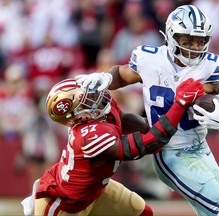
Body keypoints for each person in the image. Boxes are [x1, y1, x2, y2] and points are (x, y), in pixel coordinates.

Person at [75, 4, 219, 216]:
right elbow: (122, 75)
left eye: (199, 40)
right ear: (171, 36)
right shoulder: (150, 59)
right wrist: (107, 77)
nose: (194, 47)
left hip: (201, 149)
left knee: (217, 210)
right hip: (170, 152)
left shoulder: (210, 66)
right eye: (187, 40)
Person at [21, 77, 204, 216]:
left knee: (142, 212)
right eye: (87, 99)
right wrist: (179, 104)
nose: (96, 97)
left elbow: (125, 120)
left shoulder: (101, 110)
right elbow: (146, 145)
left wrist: (157, 126)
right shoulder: (89, 135)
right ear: (76, 116)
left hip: (96, 191)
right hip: (65, 203)